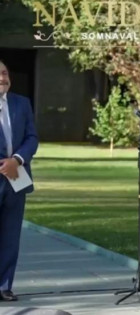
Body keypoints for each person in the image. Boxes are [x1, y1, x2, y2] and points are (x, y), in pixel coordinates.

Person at [0, 59, 39, 302]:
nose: (2, 77)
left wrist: (16, 159)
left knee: (10, 235)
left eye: (4, 72)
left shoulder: (21, 103)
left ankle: (4, 286)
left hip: (17, 177)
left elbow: (32, 137)